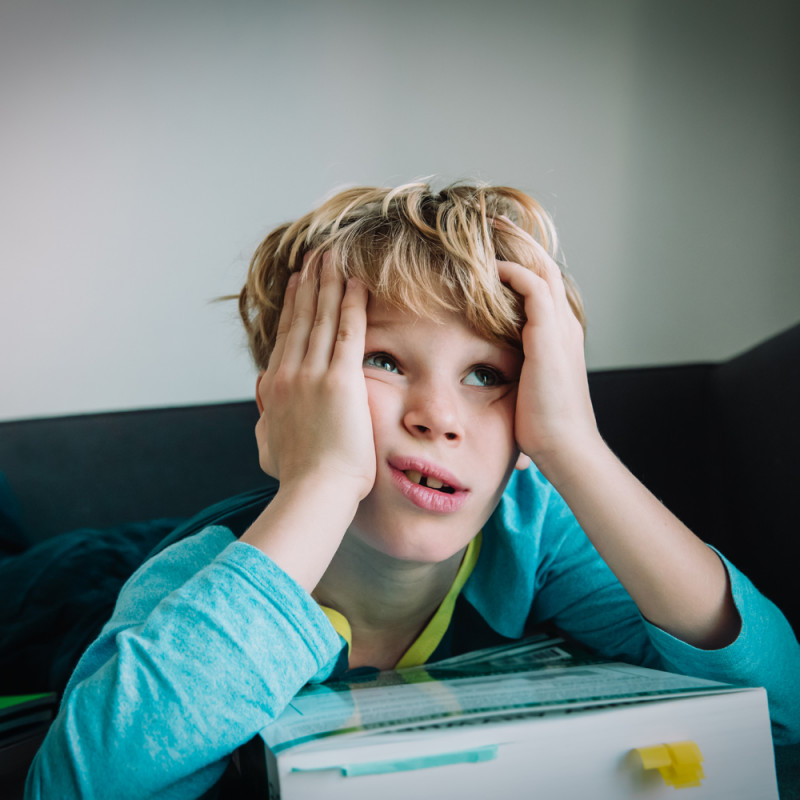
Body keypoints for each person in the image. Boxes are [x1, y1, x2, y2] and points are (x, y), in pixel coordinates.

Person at [26, 181, 800, 798]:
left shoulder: (533, 535)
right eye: (387, 362)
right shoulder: (191, 576)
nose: (438, 417)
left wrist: (574, 448)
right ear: (283, 396)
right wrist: (322, 478)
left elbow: (782, 707)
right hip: (94, 576)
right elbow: (74, 787)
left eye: (486, 375)